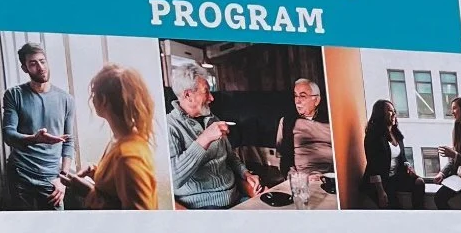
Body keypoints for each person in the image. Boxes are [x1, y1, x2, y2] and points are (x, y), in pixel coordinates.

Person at [60, 65, 159, 211]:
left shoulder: (128, 157)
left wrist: (89, 192)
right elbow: (120, 186)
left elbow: (141, 218)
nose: (92, 99)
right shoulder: (122, 139)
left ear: (104, 100)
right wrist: (96, 172)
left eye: (94, 94)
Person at [167, 58, 255, 208]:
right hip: (204, 207)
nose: (212, 98)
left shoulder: (212, 119)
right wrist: (205, 139)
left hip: (236, 197)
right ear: (188, 95)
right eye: (206, 92)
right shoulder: (169, 126)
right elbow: (173, 179)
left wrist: (246, 174)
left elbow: (231, 157)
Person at [0, 43, 77, 209]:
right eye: (33, 63)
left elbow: (69, 142)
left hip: (52, 177)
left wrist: (63, 179)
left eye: (42, 61)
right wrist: (35, 139)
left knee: (56, 224)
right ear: (25, 68)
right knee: (23, 223)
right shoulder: (13, 95)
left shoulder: (66, 99)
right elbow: (8, 135)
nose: (40, 67)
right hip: (20, 173)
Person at [276, 77, 335, 180]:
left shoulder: (331, 120)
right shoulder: (287, 122)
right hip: (302, 179)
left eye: (302, 96)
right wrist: (298, 179)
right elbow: (283, 160)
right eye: (295, 96)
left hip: (330, 176)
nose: (297, 101)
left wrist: (327, 176)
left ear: (316, 100)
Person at [360, 99, 405, 207]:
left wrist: (408, 166)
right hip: (379, 183)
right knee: (396, 208)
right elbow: (373, 166)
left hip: (393, 178)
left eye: (394, 111)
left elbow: (402, 158)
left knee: (419, 183)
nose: (393, 114)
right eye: (389, 110)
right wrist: (380, 192)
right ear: (380, 114)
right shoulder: (373, 136)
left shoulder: (396, 134)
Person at [435, 95, 461, 210]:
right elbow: (454, 159)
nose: (452, 112)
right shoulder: (457, 127)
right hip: (459, 178)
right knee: (439, 198)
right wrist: (442, 173)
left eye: (454, 108)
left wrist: (455, 155)